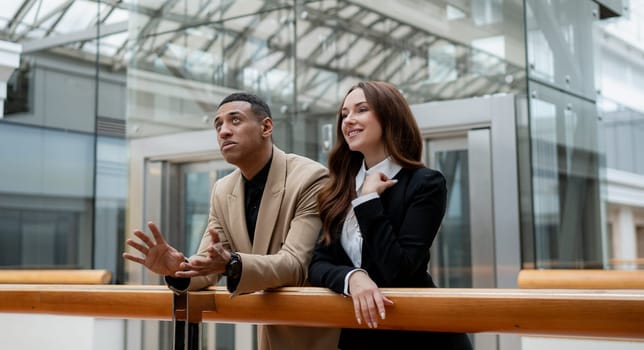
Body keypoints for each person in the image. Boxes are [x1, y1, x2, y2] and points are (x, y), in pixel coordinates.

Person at [123, 92, 340, 350]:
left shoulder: (311, 178)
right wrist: (179, 269)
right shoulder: (222, 190)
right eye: (218, 125)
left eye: (235, 120)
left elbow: (295, 264)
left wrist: (231, 262)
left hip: (315, 337)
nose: (224, 131)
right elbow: (209, 264)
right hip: (269, 332)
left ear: (266, 127)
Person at [308, 81, 473, 350]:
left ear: (389, 116)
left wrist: (368, 200)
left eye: (361, 110)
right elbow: (317, 264)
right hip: (360, 337)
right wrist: (354, 278)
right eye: (344, 114)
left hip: (422, 338)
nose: (349, 120)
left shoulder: (425, 183)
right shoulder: (338, 188)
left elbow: (399, 271)